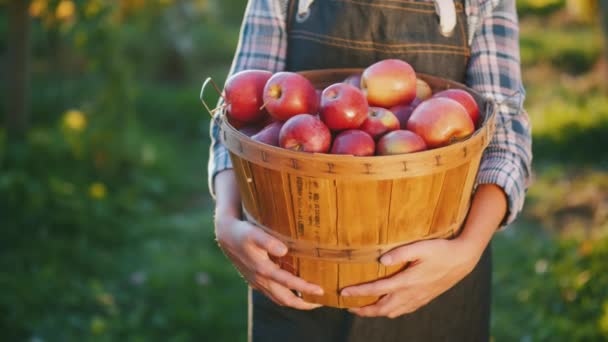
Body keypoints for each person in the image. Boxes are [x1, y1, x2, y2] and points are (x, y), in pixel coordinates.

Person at [208, 0, 532, 340]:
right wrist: (227, 219)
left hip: (436, 274)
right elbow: (240, 116)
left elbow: (504, 132)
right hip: (293, 270)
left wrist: (466, 250)